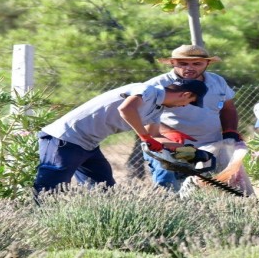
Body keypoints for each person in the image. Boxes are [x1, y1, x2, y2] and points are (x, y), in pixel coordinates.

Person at [33, 79, 207, 194]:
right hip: (63, 138)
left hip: (89, 145)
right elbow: (126, 109)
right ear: (186, 94)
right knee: (49, 189)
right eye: (189, 102)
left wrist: (191, 152)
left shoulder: (157, 109)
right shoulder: (147, 90)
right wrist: (145, 137)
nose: (184, 106)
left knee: (103, 189)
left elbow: (155, 137)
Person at [144, 44, 246, 191]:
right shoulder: (157, 84)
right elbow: (141, 115)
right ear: (172, 62)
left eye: (197, 63)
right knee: (167, 185)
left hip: (211, 146)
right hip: (167, 146)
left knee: (217, 188)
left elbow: (228, 108)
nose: (189, 68)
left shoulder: (218, 81)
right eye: (183, 63)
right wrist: (166, 132)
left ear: (207, 63)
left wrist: (230, 131)